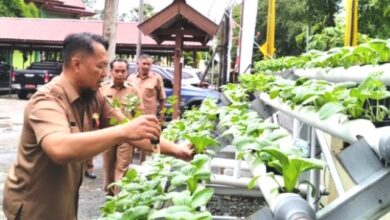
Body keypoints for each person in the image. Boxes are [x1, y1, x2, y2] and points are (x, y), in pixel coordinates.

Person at [2, 32, 193, 220]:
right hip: (34, 207)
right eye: (100, 66)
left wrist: (178, 150)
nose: (105, 73)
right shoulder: (47, 100)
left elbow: (134, 132)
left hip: (64, 202)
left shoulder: (93, 96)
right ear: (76, 64)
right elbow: (59, 148)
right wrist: (123, 132)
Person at [100, 58, 142, 195]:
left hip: (127, 136)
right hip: (107, 134)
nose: (119, 74)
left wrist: (137, 135)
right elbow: (96, 111)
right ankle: (109, 194)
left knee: (122, 167)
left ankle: (119, 196)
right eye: (116, 71)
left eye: (122, 71)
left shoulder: (133, 89)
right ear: (111, 72)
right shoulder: (102, 88)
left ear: (127, 72)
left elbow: (139, 113)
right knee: (108, 167)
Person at [128, 54, 166, 162]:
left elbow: (162, 99)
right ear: (138, 64)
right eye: (144, 63)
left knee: (148, 146)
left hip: (149, 118)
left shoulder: (156, 78)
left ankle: (145, 169)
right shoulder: (130, 78)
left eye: (148, 64)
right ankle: (128, 168)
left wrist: (161, 117)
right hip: (133, 117)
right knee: (130, 142)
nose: (146, 66)